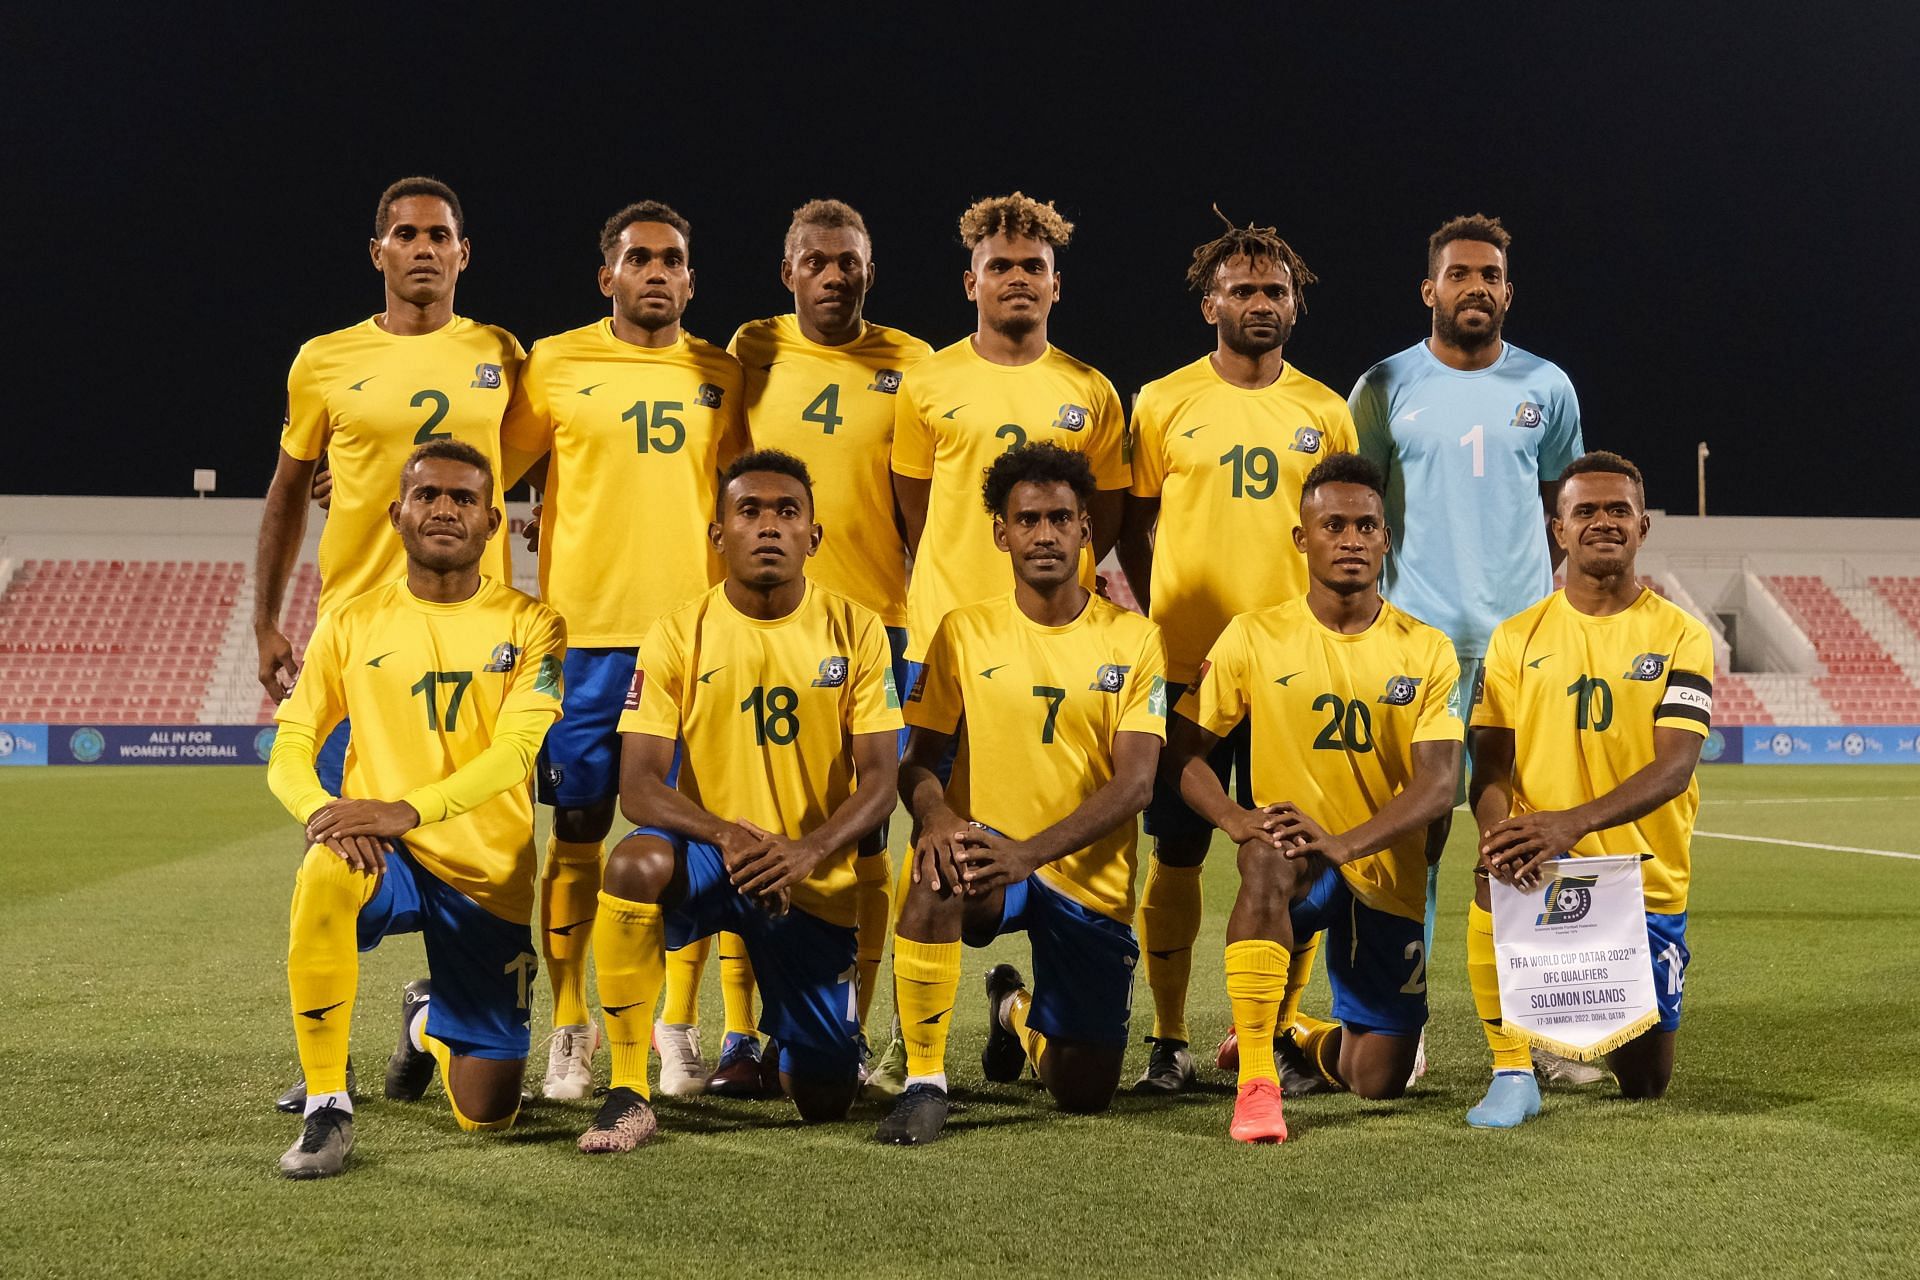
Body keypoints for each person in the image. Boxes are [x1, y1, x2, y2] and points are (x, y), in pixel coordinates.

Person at [256, 176, 528, 1113]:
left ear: (463, 253)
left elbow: (532, 461)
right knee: (337, 853)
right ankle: (324, 1067)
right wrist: (267, 617)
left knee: (490, 829)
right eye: (405, 235)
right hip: (360, 640)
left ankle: (438, 1015)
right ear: (379, 252)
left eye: (440, 235)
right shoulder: (325, 360)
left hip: (472, 635)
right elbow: (289, 489)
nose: (422, 248)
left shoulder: (499, 354)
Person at [577, 450, 902, 1153]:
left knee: (821, 1098)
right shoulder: (676, 631)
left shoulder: (858, 629)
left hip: (811, 880)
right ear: (718, 533)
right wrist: (726, 835)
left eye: (787, 512)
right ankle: (628, 1091)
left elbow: (881, 779)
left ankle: (791, 1039)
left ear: (814, 536)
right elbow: (638, 785)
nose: (768, 527)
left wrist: (807, 851)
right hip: (711, 859)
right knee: (632, 865)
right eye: (748, 511)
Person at [501, 200, 749, 1100]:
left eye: (672, 260)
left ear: (690, 279)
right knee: (573, 834)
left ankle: (674, 1030)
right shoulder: (554, 364)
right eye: (638, 258)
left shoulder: (723, 376)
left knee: (675, 840)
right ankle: (570, 1029)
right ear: (607, 274)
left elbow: (750, 495)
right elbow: (490, 473)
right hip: (583, 645)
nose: (656, 272)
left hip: (691, 648)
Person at [267, 441, 565, 1178]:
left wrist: (406, 808)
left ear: (493, 522)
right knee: (326, 870)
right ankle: (328, 1105)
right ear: (396, 512)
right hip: (386, 855)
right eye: (427, 494)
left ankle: (428, 1021)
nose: (443, 509)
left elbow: (515, 754)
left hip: (485, 874)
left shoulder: (535, 625)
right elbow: (291, 742)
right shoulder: (350, 621)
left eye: (463, 499)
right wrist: (320, 812)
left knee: (488, 1114)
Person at [1117, 213, 1357, 1092]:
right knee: (1174, 851)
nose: (1262, 302)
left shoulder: (1324, 410)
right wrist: (1170, 612)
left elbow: (1344, 532)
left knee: (1296, 848)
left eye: (1277, 291)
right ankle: (1170, 1039)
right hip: (1187, 667)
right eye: (1245, 289)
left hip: (1297, 670)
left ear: (1296, 307)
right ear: (1210, 300)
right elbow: (1133, 526)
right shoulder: (1161, 399)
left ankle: (1281, 1027)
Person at [1350, 212, 1589, 1084]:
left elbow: (1570, 498)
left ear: (1507, 290)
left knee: (1529, 836)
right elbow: (1355, 509)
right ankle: (1404, 1026)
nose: (1476, 287)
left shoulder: (1548, 386)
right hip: (1417, 651)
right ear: (1431, 290)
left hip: (1526, 652)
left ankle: (1550, 1032)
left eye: (1490, 275)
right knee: (1415, 843)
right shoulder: (1383, 386)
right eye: (1460, 274)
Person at [876, 442, 1166, 1147]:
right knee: (934, 871)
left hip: (1085, 881)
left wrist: (1029, 854)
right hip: (988, 856)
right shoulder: (963, 631)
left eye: (1060, 518)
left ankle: (1011, 1009)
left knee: (1083, 1091)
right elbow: (914, 765)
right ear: (1001, 533)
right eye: (1028, 519)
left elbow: (1136, 784)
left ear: (1085, 529)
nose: (1045, 534)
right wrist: (939, 816)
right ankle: (924, 1081)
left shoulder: (1135, 639)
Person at [1166, 452, 1460, 1142]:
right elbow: (1181, 753)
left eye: (1366, 526)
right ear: (1302, 539)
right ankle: (1258, 1082)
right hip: (1297, 861)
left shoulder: (1427, 650)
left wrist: (1347, 842)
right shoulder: (1254, 636)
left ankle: (1292, 1033)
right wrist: (1237, 820)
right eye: (1334, 525)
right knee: (1264, 859)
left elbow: (1440, 783)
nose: (1351, 539)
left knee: (1378, 1080)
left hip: (1383, 867)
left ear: (1387, 539)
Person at [726, 199, 932, 1097]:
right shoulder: (749, 351)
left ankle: (852, 1020)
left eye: (849, 261)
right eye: (816, 260)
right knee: (742, 818)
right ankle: (736, 1036)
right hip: (760, 619)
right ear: (789, 272)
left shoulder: (912, 362)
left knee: (869, 831)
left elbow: (930, 495)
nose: (834, 273)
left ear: (869, 272)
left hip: (876, 618)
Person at [1465, 451, 1713, 1128]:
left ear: (1644, 526)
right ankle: (1513, 1064)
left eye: (1617, 510)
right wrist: (1501, 838)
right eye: (1586, 511)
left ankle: (1563, 1019)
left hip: (1644, 882)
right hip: (1545, 872)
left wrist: (1567, 821)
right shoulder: (1516, 637)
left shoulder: (1682, 635)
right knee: (1487, 872)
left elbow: (1675, 767)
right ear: (1558, 529)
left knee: (1645, 1084)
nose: (1603, 522)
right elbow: (1488, 769)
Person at [890, 192, 1131, 703]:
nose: (1018, 278)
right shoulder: (926, 383)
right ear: (971, 284)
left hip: (1058, 627)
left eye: (1033, 267)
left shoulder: (1092, 389)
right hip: (944, 631)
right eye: (1000, 266)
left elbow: (1107, 514)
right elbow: (916, 512)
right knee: (932, 779)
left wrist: (1072, 568)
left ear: (1055, 286)